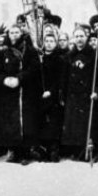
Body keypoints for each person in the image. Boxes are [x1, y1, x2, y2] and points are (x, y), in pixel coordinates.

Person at [0, 25, 41, 163]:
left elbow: (34, 69)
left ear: (21, 34)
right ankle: (12, 150)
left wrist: (19, 78)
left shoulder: (30, 50)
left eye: (16, 32)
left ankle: (26, 152)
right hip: (8, 91)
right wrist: (4, 79)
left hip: (25, 90)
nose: (14, 35)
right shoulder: (3, 51)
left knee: (26, 121)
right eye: (11, 33)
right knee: (10, 121)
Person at [61, 27, 98, 160]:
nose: (79, 39)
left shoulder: (95, 55)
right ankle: (78, 151)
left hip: (88, 96)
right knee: (75, 125)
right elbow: (64, 78)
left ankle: (91, 152)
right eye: (77, 36)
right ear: (73, 38)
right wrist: (63, 95)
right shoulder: (69, 56)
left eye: (82, 36)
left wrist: (97, 91)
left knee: (90, 125)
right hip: (74, 96)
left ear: (86, 37)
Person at [38, 33, 66, 162]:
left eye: (51, 41)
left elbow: (60, 79)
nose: (48, 43)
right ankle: (44, 149)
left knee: (54, 123)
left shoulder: (59, 59)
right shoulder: (40, 58)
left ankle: (54, 150)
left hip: (53, 96)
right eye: (46, 41)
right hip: (41, 95)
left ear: (55, 43)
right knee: (43, 122)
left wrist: (51, 91)